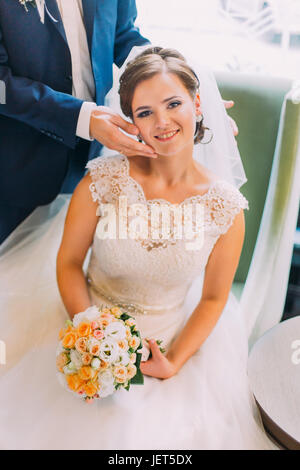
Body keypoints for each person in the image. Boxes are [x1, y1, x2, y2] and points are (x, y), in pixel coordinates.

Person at [0, 47, 278, 450]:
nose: (162, 122)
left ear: (197, 104)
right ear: (131, 122)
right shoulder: (102, 181)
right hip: (83, 323)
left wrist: (174, 362)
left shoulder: (226, 207)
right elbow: (69, 263)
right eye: (145, 112)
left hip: (167, 341)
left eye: (173, 104)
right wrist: (90, 332)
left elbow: (215, 296)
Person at [0, 0, 154, 244]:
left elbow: (123, 35)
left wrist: (176, 87)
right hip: (15, 167)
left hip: (89, 161)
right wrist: (80, 117)